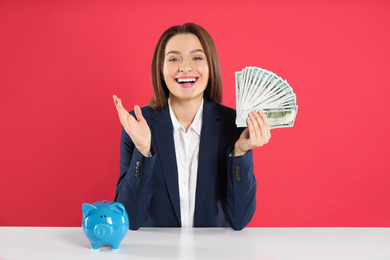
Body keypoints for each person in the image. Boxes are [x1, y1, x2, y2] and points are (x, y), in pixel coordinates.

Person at [113, 23, 271, 230]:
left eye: (197, 57)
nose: (185, 67)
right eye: (174, 59)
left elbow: (238, 220)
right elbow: (130, 219)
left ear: (210, 68)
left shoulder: (234, 125)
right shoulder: (137, 124)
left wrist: (240, 152)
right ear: (161, 70)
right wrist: (143, 151)